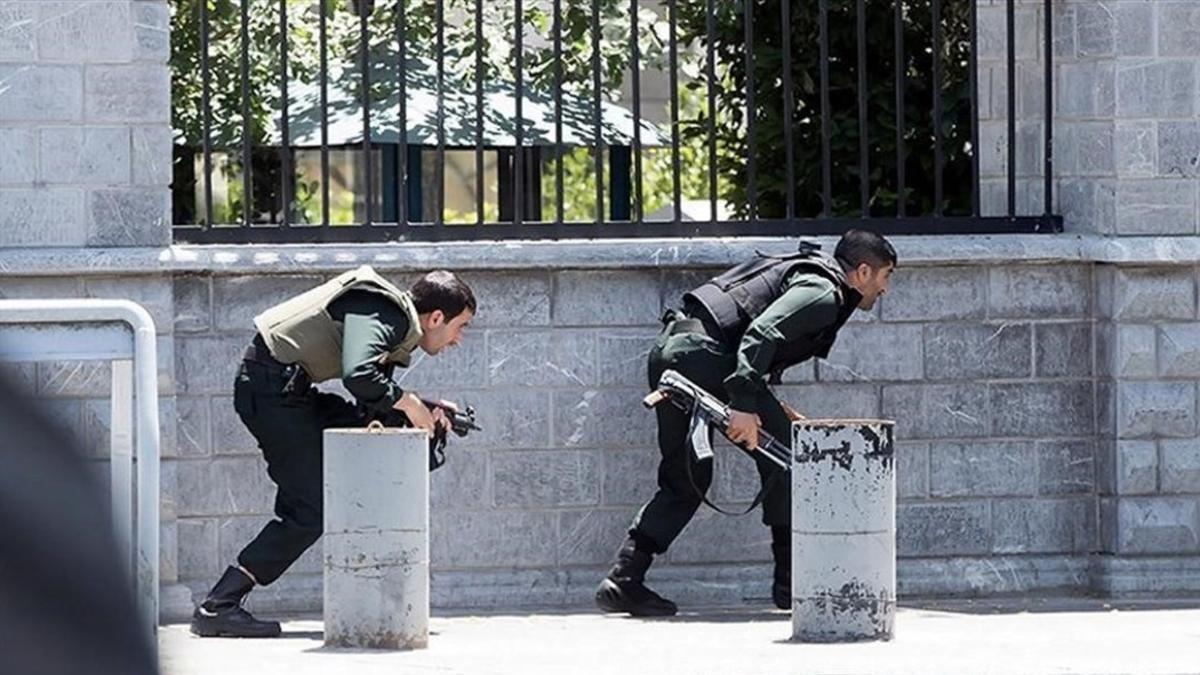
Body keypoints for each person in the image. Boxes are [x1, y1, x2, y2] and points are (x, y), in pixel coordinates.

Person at [594, 230, 897, 616]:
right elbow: (761, 333)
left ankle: (624, 578)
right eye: (886, 276)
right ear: (864, 271)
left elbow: (747, 335)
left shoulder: (811, 277)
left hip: (673, 352)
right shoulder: (824, 292)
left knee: (687, 474)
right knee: (789, 458)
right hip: (704, 358)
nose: (886, 288)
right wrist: (742, 403)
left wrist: (763, 403)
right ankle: (792, 586)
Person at [190, 266, 476, 638]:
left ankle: (221, 602)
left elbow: (372, 398)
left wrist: (427, 409)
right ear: (436, 317)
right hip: (272, 394)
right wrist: (409, 404)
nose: (459, 340)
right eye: (461, 327)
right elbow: (359, 376)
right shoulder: (386, 311)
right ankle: (219, 604)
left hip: (289, 391)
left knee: (377, 424)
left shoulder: (393, 320)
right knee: (311, 509)